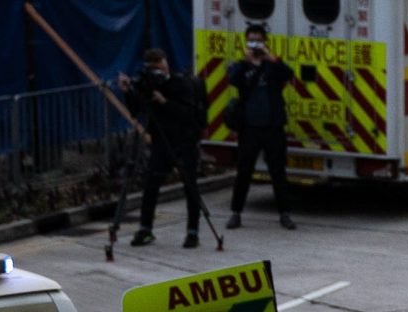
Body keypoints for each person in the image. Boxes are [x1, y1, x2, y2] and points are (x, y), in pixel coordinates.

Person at [123, 48, 208, 248]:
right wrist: (128, 92)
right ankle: (145, 229)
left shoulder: (181, 83)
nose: (156, 69)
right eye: (152, 66)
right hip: (161, 141)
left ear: (166, 62)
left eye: (158, 64)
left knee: (190, 186)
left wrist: (165, 102)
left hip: (184, 141)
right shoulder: (148, 85)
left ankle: (192, 232)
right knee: (151, 185)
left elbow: (187, 113)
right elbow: (136, 111)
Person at [224, 27, 296, 232]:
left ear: (265, 42)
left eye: (258, 41)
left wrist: (271, 58)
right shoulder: (241, 66)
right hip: (249, 128)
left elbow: (289, 74)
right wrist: (248, 62)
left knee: (278, 172)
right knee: (244, 172)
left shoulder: (272, 65)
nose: (254, 45)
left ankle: (285, 214)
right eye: (251, 41)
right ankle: (236, 213)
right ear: (246, 43)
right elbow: (232, 79)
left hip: (273, 126)